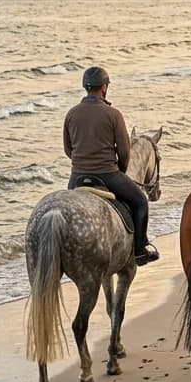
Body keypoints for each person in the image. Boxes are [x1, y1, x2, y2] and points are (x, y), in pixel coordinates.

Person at [64, 66, 158, 265]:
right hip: (107, 174)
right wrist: (119, 172)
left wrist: (82, 162)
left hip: (77, 177)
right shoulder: (113, 114)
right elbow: (125, 153)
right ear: (104, 88)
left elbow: (68, 149)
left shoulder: (71, 114)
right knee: (141, 201)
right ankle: (140, 251)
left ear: (85, 87)